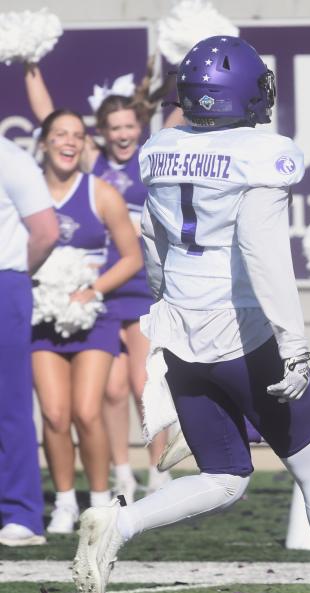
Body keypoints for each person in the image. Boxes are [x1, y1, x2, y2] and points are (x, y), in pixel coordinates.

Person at [71, 36, 310, 593]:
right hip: (243, 335)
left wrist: (166, 306)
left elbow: (153, 241)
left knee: (227, 477)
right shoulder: (263, 152)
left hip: (181, 334)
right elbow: (265, 257)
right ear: (241, 94)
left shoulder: (160, 150)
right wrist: (293, 342)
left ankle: (120, 523)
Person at [25, 60, 175, 502]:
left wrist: (183, 62)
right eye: (113, 128)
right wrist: (30, 62)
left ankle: (159, 472)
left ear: (140, 125)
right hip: (103, 289)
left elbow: (177, 117)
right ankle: (120, 472)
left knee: (142, 384)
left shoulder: (153, 156)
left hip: (141, 284)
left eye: (129, 125)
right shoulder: (94, 163)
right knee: (109, 390)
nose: (123, 134)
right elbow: (49, 121)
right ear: (102, 134)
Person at [32, 110, 143, 535]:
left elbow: (131, 257)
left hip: (92, 317)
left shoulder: (101, 193)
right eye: (60, 134)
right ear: (43, 142)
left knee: (86, 411)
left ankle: (98, 502)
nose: (69, 142)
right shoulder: (26, 194)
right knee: (56, 415)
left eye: (77, 136)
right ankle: (63, 502)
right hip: (42, 318)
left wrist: (92, 290)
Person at [0, 138, 60, 547]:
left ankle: (21, 513)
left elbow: (45, 232)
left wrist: (16, 275)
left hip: (4, 280)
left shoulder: (11, 158)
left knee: (10, 403)